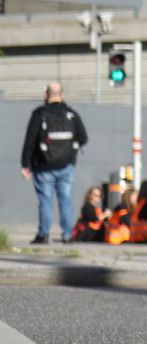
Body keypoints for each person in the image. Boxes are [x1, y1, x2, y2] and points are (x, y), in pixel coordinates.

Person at [19, 82, 89, 244]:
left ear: (46, 95)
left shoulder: (39, 114)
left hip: (43, 166)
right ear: (62, 95)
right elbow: (83, 137)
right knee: (66, 199)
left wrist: (25, 164)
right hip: (67, 165)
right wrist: (71, 150)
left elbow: (30, 140)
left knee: (45, 200)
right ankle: (67, 235)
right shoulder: (71, 114)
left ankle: (43, 234)